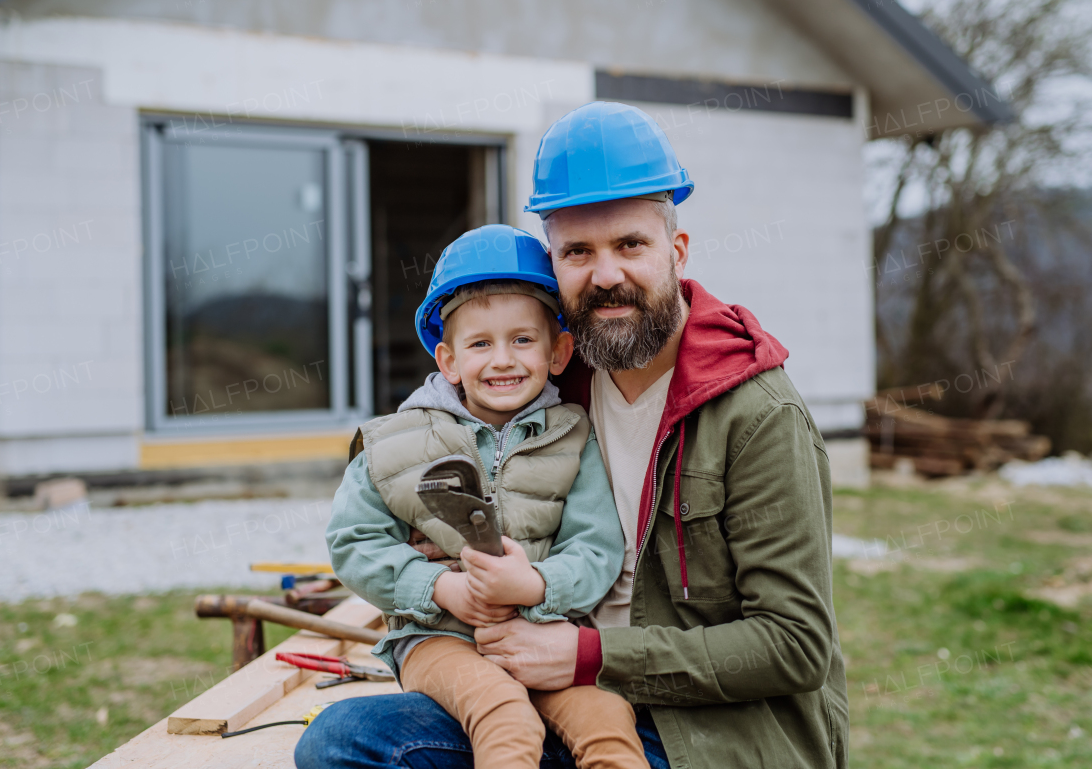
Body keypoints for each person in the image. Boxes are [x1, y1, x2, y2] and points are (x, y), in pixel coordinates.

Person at [297, 102, 848, 769]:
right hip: (542, 678)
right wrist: (438, 550)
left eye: (630, 244)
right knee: (344, 740)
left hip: (709, 728)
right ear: (552, 265)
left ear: (676, 251)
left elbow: (793, 642)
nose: (606, 273)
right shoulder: (561, 377)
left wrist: (587, 653)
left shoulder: (756, 412)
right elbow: (447, 417)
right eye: (578, 251)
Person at [323, 224, 648, 768]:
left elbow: (597, 546)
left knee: (609, 722)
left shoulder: (571, 435)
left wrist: (538, 585)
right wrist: (439, 588)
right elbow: (353, 542)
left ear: (559, 351)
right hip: (437, 639)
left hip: (543, 633)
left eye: (523, 339)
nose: (503, 359)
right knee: (504, 715)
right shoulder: (395, 442)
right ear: (448, 360)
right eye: (480, 344)